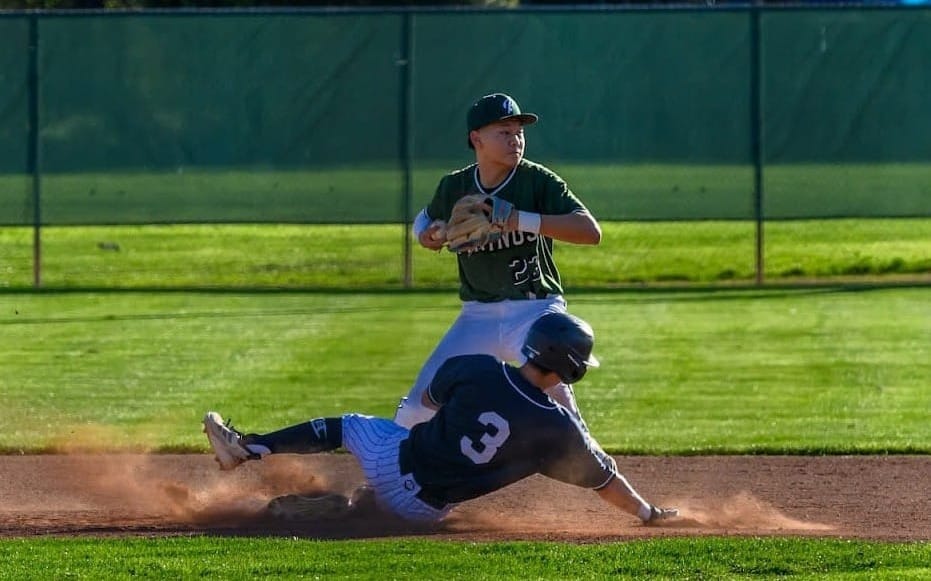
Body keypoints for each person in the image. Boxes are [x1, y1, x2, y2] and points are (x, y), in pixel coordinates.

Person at [203, 312, 679, 525]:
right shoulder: (558, 429)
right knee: (393, 499)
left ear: (532, 345)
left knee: (349, 426)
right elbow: (605, 481)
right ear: (572, 368)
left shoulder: (478, 368)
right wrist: (647, 512)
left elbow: (429, 401)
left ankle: (247, 447)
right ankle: (352, 509)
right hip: (422, 511)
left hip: (392, 462)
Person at [395, 92, 602, 428]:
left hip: (535, 311)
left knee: (561, 410)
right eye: (504, 132)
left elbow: (590, 232)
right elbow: (424, 220)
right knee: (418, 406)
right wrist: (427, 235)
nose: (515, 140)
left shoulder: (537, 181)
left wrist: (518, 219)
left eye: (519, 132)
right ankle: (391, 462)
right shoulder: (456, 186)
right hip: (477, 315)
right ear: (477, 139)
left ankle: (590, 461)